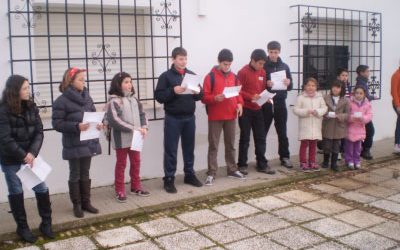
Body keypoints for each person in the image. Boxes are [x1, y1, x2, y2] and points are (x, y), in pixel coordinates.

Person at [0, 75, 54, 243]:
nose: (28, 91)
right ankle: (22, 227)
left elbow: (39, 131)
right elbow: (5, 139)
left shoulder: (31, 106)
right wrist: (23, 155)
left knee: (42, 188)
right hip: (11, 160)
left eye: (28, 88)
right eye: (24, 88)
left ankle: (46, 224)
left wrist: (31, 153)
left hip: (30, 158)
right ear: (14, 91)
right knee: (16, 192)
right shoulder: (2, 111)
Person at [52, 67, 102, 218]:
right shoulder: (61, 101)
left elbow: (93, 115)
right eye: (80, 79)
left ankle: (86, 202)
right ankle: (77, 205)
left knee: (85, 172)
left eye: (84, 79)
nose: (83, 82)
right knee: (75, 173)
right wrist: (76, 127)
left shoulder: (87, 97)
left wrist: (99, 123)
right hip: (73, 143)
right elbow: (57, 124)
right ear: (71, 81)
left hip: (88, 141)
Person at [154, 47, 203, 193]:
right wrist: (172, 91)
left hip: (189, 118)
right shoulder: (166, 76)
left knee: (189, 148)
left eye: (185, 58)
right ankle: (169, 178)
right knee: (171, 150)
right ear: (173, 59)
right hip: (173, 118)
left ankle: (189, 174)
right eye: (181, 59)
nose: (183, 62)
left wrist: (197, 92)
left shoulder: (192, 75)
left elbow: (200, 96)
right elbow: (159, 97)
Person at [201, 49, 245, 186]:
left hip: (231, 116)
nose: (227, 67)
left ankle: (232, 170)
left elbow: (239, 94)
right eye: (225, 64)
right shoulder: (210, 77)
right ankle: (211, 173)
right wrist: (215, 98)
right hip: (215, 116)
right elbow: (203, 97)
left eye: (229, 64)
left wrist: (240, 104)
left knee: (231, 144)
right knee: (213, 145)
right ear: (219, 62)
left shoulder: (234, 76)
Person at [105, 72, 150, 202]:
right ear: (118, 85)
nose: (129, 84)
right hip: (121, 139)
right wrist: (134, 128)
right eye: (126, 82)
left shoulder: (134, 99)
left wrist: (145, 127)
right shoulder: (114, 101)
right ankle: (119, 189)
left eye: (130, 82)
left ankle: (136, 186)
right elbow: (114, 120)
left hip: (135, 138)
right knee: (121, 164)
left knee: (136, 162)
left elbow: (143, 115)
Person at [237, 49, 275, 175]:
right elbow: (238, 91)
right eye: (259, 63)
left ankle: (262, 164)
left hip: (258, 109)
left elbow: (263, 88)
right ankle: (242, 164)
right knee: (245, 138)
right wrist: (250, 96)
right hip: (246, 110)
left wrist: (267, 96)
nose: (261, 66)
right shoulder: (242, 72)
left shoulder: (263, 72)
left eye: (263, 64)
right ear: (252, 60)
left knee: (260, 137)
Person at [263, 41, 293, 168]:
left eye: (275, 52)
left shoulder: (285, 66)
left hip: (280, 102)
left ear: (279, 52)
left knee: (282, 131)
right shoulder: (263, 66)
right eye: (271, 52)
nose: (273, 55)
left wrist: (288, 82)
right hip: (267, 102)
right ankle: (261, 158)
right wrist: (266, 84)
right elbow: (259, 85)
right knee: (262, 132)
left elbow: (291, 86)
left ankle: (285, 157)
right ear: (268, 52)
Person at [293, 77, 327, 172]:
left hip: (316, 124)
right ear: (305, 86)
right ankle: (303, 162)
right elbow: (295, 110)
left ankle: (312, 161)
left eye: (313, 85)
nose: (311, 87)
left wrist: (317, 111)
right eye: (308, 85)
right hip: (305, 125)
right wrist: (306, 111)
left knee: (313, 144)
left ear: (316, 87)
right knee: (304, 144)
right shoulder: (301, 97)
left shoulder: (320, 97)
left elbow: (324, 108)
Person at [321, 80, 349, 171]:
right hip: (328, 125)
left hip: (338, 126)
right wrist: (326, 113)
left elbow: (348, 114)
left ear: (342, 89)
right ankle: (325, 161)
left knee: (336, 146)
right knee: (327, 145)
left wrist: (339, 116)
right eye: (333, 87)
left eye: (338, 87)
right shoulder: (326, 98)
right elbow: (322, 109)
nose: (335, 89)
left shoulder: (345, 100)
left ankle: (334, 163)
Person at [345, 86, 373, 169]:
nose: (358, 95)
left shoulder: (367, 104)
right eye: (357, 93)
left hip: (360, 128)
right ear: (354, 93)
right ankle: (349, 160)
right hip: (350, 128)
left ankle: (357, 160)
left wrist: (363, 118)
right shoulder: (349, 103)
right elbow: (346, 114)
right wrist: (351, 118)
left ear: (364, 94)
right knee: (349, 146)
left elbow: (370, 115)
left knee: (358, 147)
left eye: (361, 93)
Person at [355, 65, 375, 160]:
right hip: (362, 111)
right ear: (362, 73)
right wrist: (372, 97)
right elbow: (364, 96)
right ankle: (365, 150)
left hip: (363, 110)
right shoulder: (361, 83)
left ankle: (363, 149)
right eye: (367, 71)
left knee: (367, 131)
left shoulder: (363, 82)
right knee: (370, 130)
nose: (368, 73)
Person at [390, 59, 400, 153]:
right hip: (398, 104)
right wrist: (397, 106)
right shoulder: (396, 75)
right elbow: (394, 92)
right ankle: (397, 144)